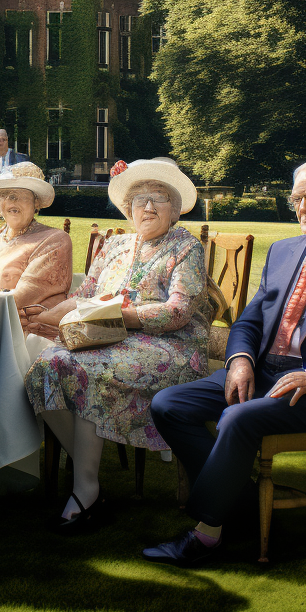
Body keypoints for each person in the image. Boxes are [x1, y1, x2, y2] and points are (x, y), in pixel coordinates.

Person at [144, 159, 306, 567]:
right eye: (296, 198)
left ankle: (207, 536)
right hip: (264, 372)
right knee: (169, 404)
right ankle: (239, 500)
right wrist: (241, 361)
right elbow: (250, 318)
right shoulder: (285, 251)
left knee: (238, 419)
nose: (302, 207)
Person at [24, 158, 209, 531]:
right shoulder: (114, 245)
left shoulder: (185, 245)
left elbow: (179, 311)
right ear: (128, 209)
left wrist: (123, 315)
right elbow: (85, 294)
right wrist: (44, 316)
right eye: (140, 200)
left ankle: (85, 490)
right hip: (105, 338)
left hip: (168, 344)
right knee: (43, 367)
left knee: (88, 370)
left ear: (174, 209)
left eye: (159, 198)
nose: (149, 207)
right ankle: (88, 475)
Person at [0, 162, 72, 340]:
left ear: (36, 202)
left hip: (31, 340)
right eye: (5, 195)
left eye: (19, 195)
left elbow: (20, 298)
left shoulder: (55, 240)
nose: (11, 201)